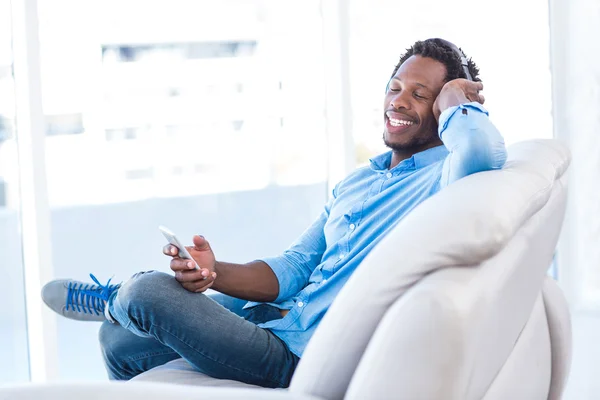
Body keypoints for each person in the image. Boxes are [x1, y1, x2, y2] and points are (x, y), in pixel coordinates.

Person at [42, 38, 507, 388]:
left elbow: (485, 152)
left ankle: (113, 297)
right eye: (394, 87)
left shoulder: (445, 177)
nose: (399, 101)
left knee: (145, 292)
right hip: (277, 314)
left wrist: (457, 103)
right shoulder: (359, 181)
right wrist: (212, 271)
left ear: (446, 105)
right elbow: (294, 266)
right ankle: (119, 306)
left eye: (421, 95)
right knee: (117, 341)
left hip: (301, 357)